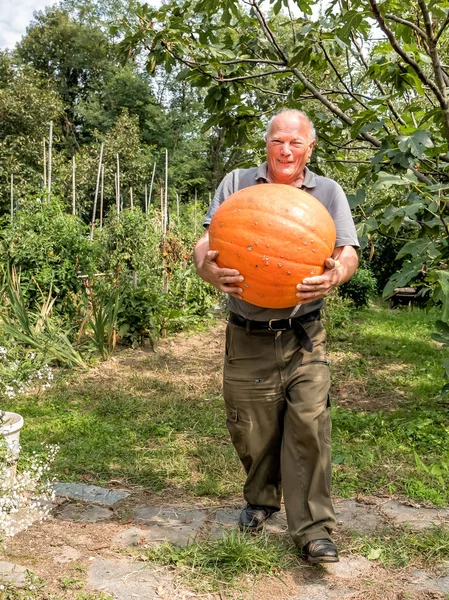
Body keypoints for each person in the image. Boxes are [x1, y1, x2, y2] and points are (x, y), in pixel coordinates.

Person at [194, 108, 359, 564]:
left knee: (309, 423)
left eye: (295, 143)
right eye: (276, 141)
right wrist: (206, 267)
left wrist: (335, 276)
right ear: (265, 143)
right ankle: (262, 499)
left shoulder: (327, 192)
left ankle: (312, 529)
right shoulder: (237, 183)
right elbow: (207, 243)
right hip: (246, 331)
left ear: (310, 147)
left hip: (304, 332)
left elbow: (347, 253)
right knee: (252, 429)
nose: (285, 150)